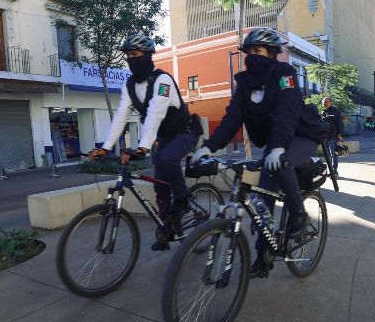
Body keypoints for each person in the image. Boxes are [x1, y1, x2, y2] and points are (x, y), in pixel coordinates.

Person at [192, 27, 324, 278]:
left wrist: (277, 148)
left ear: (272, 54)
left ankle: (299, 214)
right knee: (263, 203)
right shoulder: (244, 84)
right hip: (276, 142)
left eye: (259, 50)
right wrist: (208, 148)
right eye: (249, 51)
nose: (253, 55)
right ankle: (264, 257)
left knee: (281, 162)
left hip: (300, 135)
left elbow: (287, 113)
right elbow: (232, 119)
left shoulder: (285, 74)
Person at [89, 34, 199, 251]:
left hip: (185, 133)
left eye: (136, 54)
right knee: (160, 187)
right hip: (163, 138)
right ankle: (166, 230)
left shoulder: (163, 80)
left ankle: (183, 198)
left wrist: (143, 147)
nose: (131, 59)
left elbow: (155, 114)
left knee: (168, 158)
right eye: (128, 55)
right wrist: (105, 147)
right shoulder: (129, 86)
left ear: (148, 56)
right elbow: (121, 115)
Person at [321, 96, 344, 176]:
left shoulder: (335, 111)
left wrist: (339, 134)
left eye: (327, 102)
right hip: (324, 138)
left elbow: (340, 123)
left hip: (333, 137)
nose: (325, 103)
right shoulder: (322, 112)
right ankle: (331, 171)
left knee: (333, 155)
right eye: (324, 102)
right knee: (327, 156)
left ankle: (335, 171)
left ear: (331, 102)